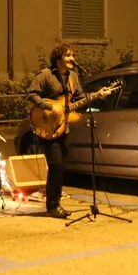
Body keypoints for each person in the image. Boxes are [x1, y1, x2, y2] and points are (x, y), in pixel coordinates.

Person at [27, 43, 111, 219]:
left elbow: (80, 98)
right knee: (56, 164)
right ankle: (53, 205)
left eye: (72, 55)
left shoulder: (73, 77)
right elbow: (31, 95)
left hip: (63, 129)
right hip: (47, 126)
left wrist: (97, 95)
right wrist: (50, 107)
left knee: (60, 167)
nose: (72, 58)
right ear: (58, 59)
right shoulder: (46, 75)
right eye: (67, 56)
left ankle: (54, 202)